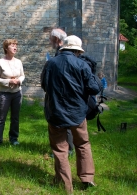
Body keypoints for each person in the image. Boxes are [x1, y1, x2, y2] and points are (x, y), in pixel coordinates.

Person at [41, 35, 103, 194]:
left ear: (63, 48)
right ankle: (87, 178)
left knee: (60, 149)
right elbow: (95, 88)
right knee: (83, 144)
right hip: (77, 113)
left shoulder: (50, 64)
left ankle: (65, 186)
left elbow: (44, 85)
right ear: (77, 50)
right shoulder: (82, 65)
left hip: (56, 112)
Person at [41, 28, 74, 157]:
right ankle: (67, 149)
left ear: (56, 39)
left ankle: (63, 151)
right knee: (66, 122)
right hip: (64, 94)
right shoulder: (62, 52)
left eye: (50, 38)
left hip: (62, 94)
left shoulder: (63, 53)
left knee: (60, 123)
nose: (49, 41)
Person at [0, 39, 25, 147]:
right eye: (12, 46)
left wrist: (19, 81)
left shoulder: (18, 61)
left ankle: (14, 138)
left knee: (15, 117)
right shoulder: (0, 62)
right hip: (5, 93)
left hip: (17, 93)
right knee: (1, 117)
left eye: (16, 45)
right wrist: (8, 81)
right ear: (6, 48)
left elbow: (22, 75)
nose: (15, 48)